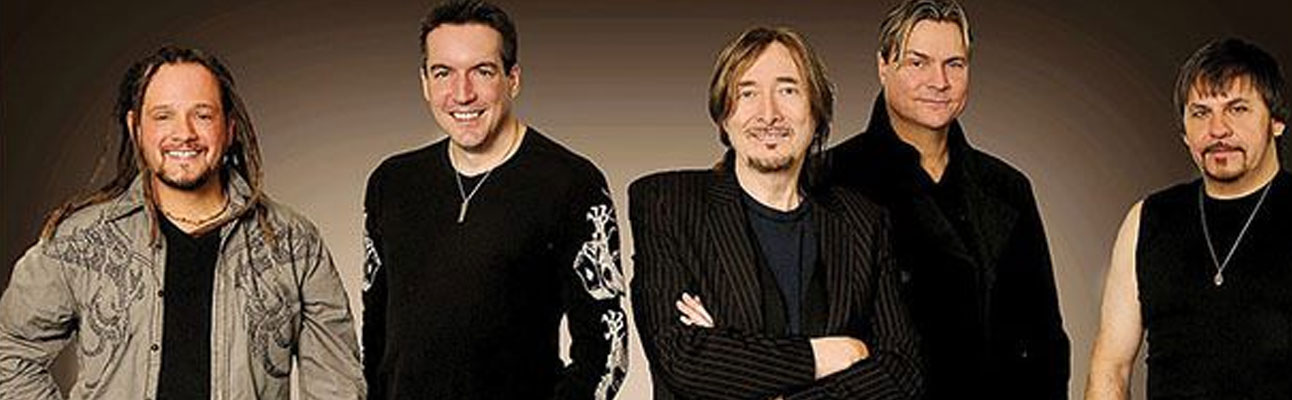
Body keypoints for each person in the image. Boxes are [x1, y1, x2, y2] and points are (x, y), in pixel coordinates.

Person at [0, 45, 364, 399]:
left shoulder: (293, 243)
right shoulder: (81, 241)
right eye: (163, 116)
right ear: (136, 128)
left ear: (229, 128)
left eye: (202, 115)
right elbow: (10, 355)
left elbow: (337, 383)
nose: (184, 132)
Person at [1086, 37, 1292, 399]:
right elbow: (1109, 369)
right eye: (1200, 113)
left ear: (1276, 121)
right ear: (1184, 133)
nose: (1218, 129)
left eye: (1237, 109)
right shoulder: (1146, 219)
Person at [629, 26, 923, 399]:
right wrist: (830, 354)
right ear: (723, 116)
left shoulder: (863, 222)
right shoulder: (666, 204)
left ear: (816, 111)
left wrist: (733, 352)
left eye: (788, 91)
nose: (768, 114)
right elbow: (682, 356)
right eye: (747, 93)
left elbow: (902, 373)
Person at [360, 1, 626, 398]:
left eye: (482, 72)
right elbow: (375, 337)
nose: (462, 94)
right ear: (425, 82)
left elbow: (606, 351)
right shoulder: (392, 183)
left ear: (512, 79)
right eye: (443, 73)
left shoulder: (571, 184)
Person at [827, 0, 1070, 397]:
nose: (939, 81)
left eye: (954, 64)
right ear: (883, 65)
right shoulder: (830, 180)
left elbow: (1046, 340)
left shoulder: (1007, 187)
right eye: (918, 62)